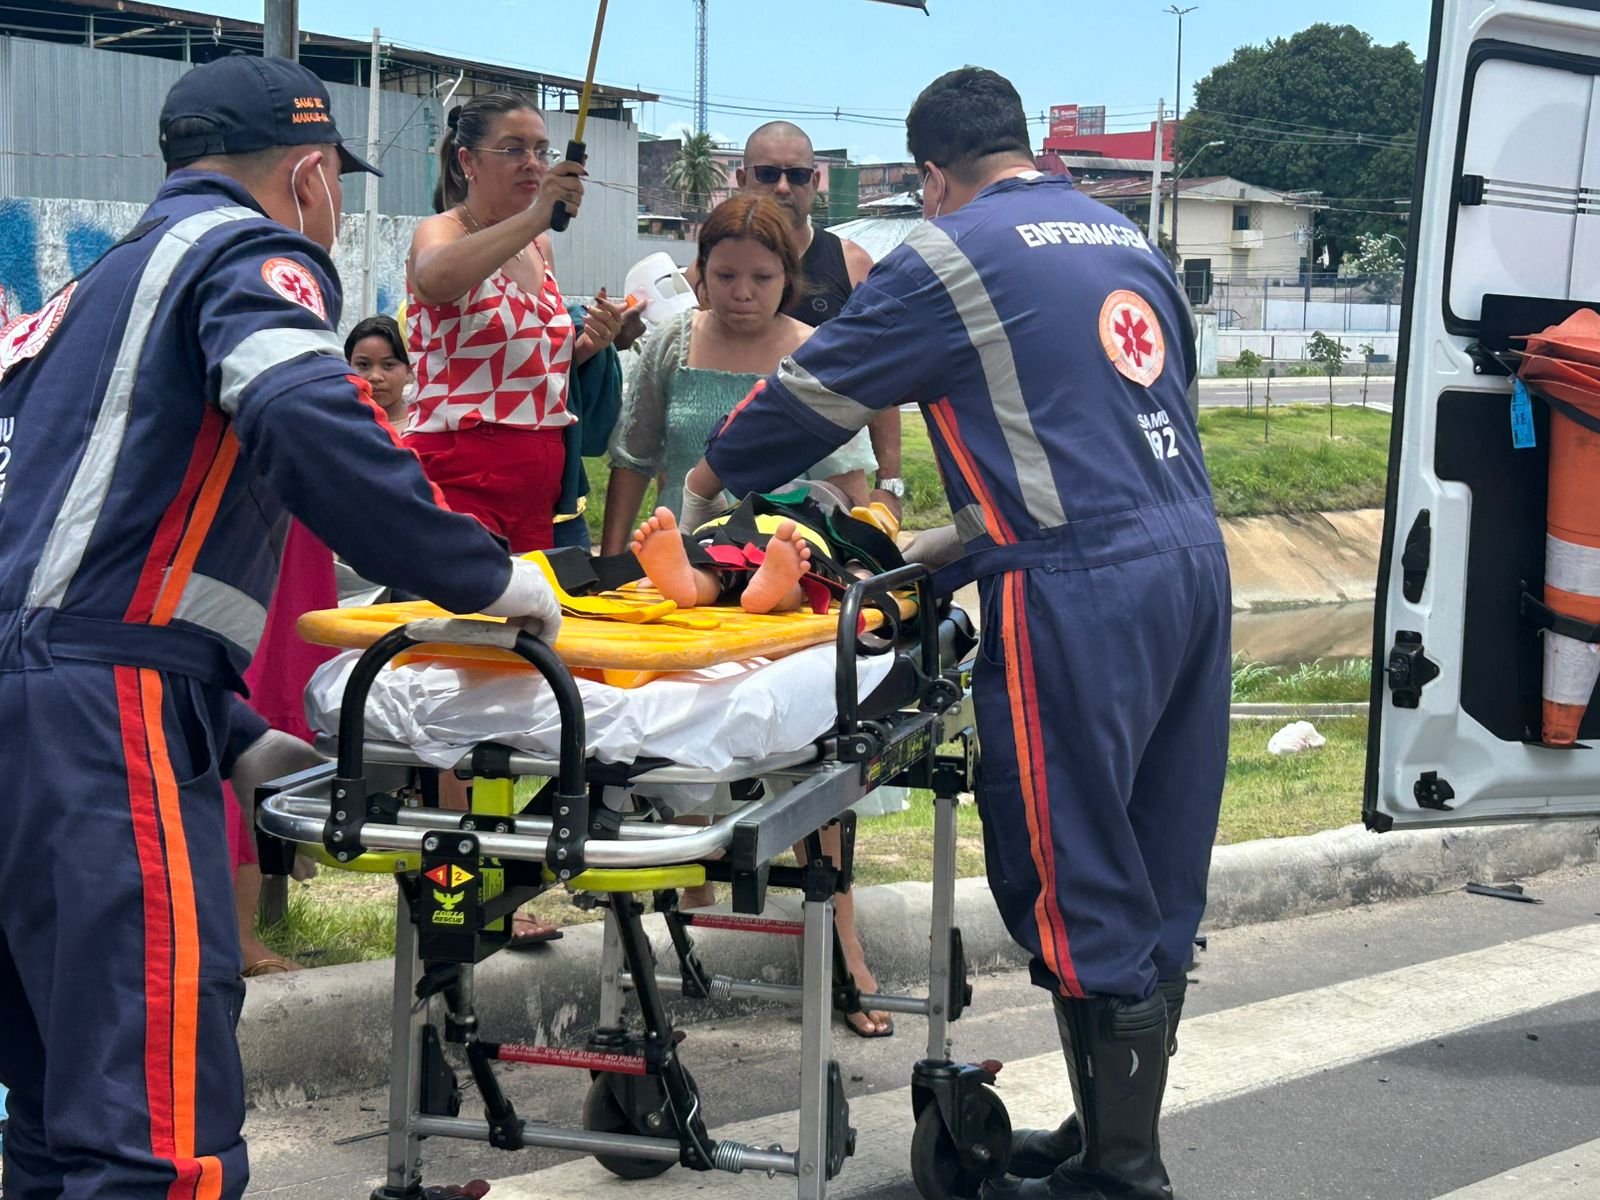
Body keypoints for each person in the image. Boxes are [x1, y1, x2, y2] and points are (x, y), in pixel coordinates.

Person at [0, 54, 563, 1198]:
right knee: (151, 1129)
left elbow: (63, 566)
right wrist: (489, 579)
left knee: (56, 1113)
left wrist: (231, 729)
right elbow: (306, 420)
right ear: (309, 175)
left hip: (48, 713)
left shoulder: (89, 295)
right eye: (336, 184)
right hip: (102, 717)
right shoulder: (245, 253)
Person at [682, 67, 1231, 1198]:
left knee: (1076, 865)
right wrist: (964, 535)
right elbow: (1111, 424)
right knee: (1156, 858)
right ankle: (1109, 1140)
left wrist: (710, 477)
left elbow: (812, 394)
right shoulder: (1123, 236)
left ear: (933, 175)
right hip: (1190, 563)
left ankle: (1121, 1177)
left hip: (1077, 590)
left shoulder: (950, 250)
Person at [405, 91, 627, 556]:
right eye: (513, 149)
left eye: (542, 151)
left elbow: (530, 367)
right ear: (467, 161)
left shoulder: (539, 246)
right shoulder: (444, 230)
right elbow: (432, 279)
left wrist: (590, 344)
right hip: (461, 471)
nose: (533, 163)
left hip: (541, 480)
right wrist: (537, 215)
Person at [602, 194, 812, 552]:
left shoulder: (813, 355)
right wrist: (609, 562)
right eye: (725, 276)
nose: (742, 293)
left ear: (787, 276)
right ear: (701, 271)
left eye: (762, 277)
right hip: (678, 557)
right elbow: (633, 461)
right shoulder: (672, 341)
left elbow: (845, 479)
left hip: (784, 558)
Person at [735, 120, 904, 516]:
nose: (782, 187)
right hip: (734, 482)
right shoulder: (711, 271)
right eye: (767, 174)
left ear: (814, 182)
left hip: (833, 491)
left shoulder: (852, 265)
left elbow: (883, 379)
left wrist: (889, 487)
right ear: (742, 180)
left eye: (796, 175)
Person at [345, 313, 414, 429]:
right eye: (363, 365)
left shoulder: (426, 426)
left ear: (409, 370)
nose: (375, 377)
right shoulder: (336, 425)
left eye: (388, 365)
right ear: (347, 367)